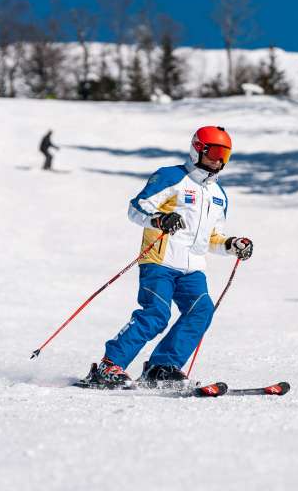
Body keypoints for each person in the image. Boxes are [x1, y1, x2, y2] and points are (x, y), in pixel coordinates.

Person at [92, 126, 254, 388]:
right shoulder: (171, 176)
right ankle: (109, 366)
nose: (218, 160)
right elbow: (136, 209)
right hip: (160, 261)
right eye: (214, 152)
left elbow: (212, 238)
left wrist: (232, 244)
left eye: (225, 155)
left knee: (201, 311)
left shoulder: (218, 195)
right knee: (156, 314)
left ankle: (162, 367)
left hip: (192, 269)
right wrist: (158, 219)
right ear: (197, 149)